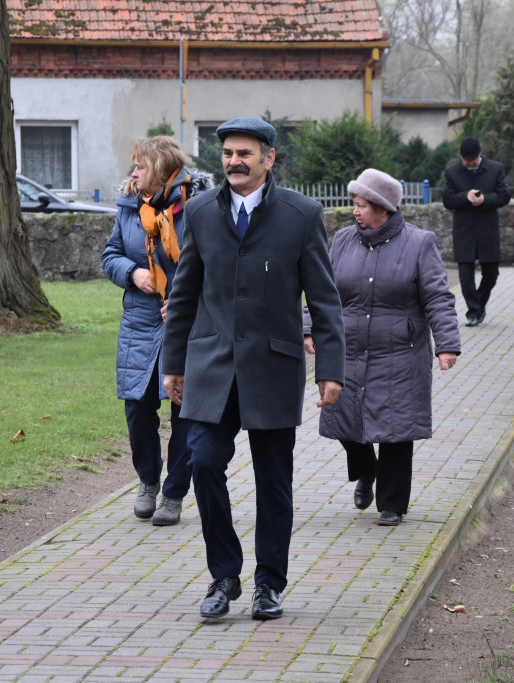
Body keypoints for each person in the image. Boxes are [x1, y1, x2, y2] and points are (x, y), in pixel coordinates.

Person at [161, 117, 345, 620]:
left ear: (268, 158)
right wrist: (172, 364)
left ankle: (269, 583)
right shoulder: (198, 212)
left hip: (273, 370)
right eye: (226, 154)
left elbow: (325, 300)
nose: (234, 162)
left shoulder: (302, 214)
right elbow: (183, 295)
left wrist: (331, 369)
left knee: (273, 484)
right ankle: (223, 575)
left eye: (244, 153)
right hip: (211, 368)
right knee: (201, 462)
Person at [306, 169, 461, 526]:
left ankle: (392, 503)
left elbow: (438, 297)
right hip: (348, 348)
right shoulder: (343, 240)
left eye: (361, 205)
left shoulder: (419, 243)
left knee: (395, 427)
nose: (354, 211)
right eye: (354, 204)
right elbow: (320, 290)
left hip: (400, 352)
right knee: (345, 419)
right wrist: (309, 327)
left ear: (382, 207)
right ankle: (366, 471)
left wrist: (446, 344)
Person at [101, 135, 213, 526]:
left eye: (140, 166)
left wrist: (185, 298)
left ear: (161, 169)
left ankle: (174, 492)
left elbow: (214, 265)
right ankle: (148, 479)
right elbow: (110, 254)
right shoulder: (131, 207)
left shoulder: (200, 208)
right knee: (137, 407)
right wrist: (133, 272)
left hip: (187, 324)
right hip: (139, 322)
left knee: (184, 410)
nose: (134, 173)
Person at [442, 137, 511, 327]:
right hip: (464, 231)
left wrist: (484, 200)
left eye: (472, 159)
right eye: (466, 160)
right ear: (460, 156)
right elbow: (448, 200)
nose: (469, 163)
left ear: (480, 155)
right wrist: (466, 197)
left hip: (488, 230)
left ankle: (478, 305)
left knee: (491, 274)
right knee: (465, 276)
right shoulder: (452, 172)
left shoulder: (495, 169)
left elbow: (504, 195)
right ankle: (473, 312)